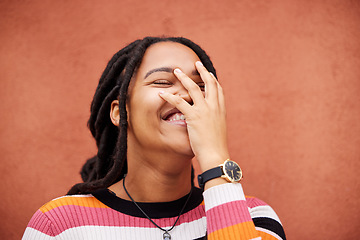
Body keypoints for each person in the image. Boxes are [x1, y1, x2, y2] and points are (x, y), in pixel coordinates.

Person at [22, 36, 286, 240]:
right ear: (119, 112)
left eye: (201, 86)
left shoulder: (253, 218)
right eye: (162, 82)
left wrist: (216, 161)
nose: (187, 95)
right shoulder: (59, 225)